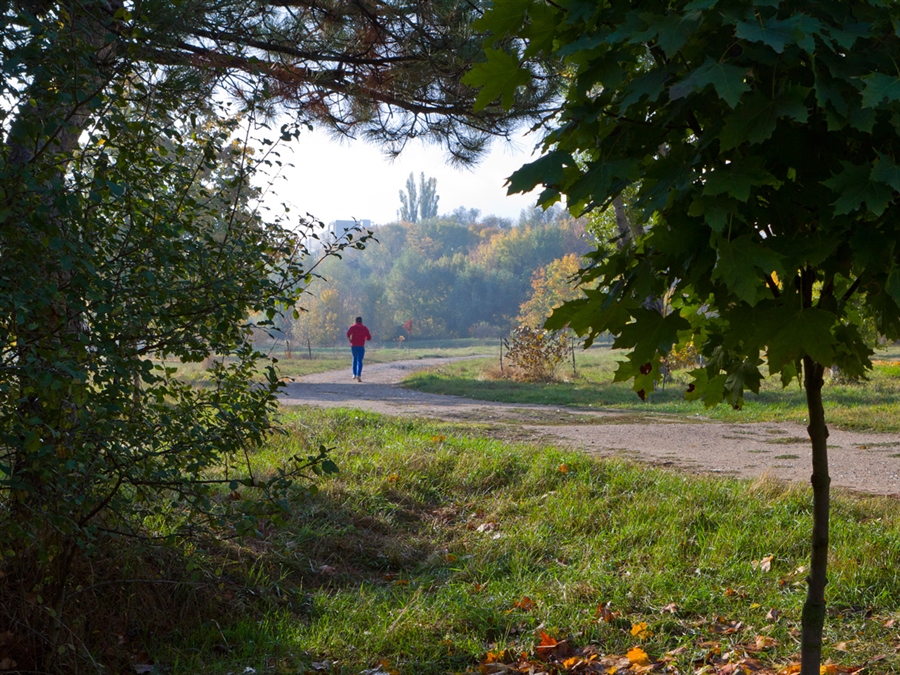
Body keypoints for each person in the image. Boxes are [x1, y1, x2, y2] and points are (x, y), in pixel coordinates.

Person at [346, 316, 372, 382]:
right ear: (361, 321)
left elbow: (348, 334)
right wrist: (365, 338)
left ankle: (354, 374)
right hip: (361, 346)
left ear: (355, 321)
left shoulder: (353, 327)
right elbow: (369, 338)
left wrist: (350, 340)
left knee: (354, 359)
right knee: (359, 360)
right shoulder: (364, 328)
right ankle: (359, 375)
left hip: (354, 346)